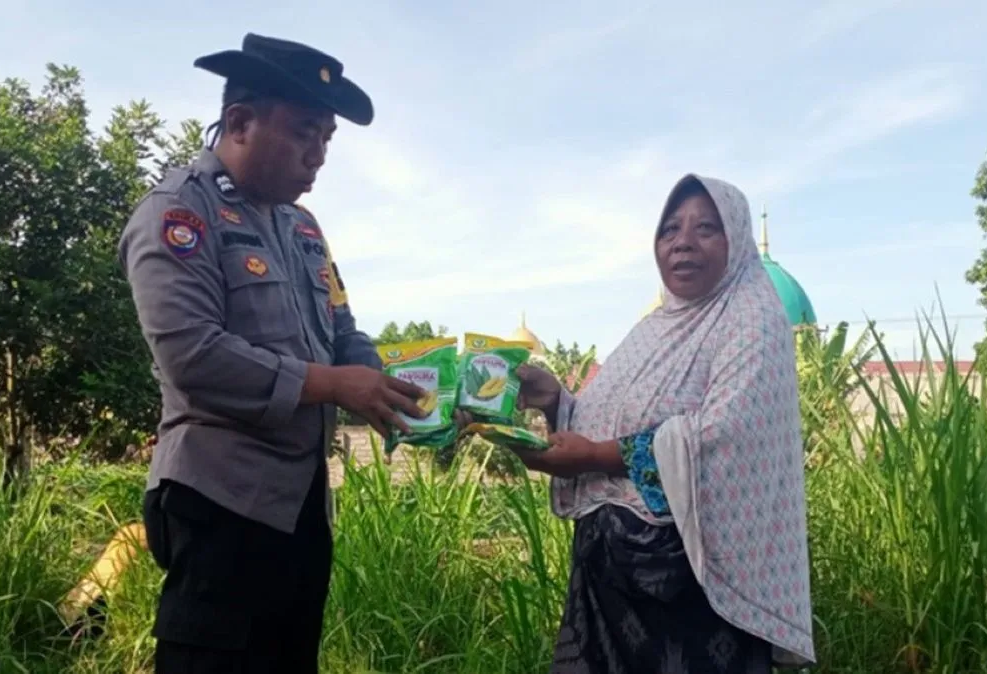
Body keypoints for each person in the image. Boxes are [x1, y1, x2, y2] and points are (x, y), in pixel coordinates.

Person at [118, 33, 427, 673]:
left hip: (301, 504)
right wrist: (335, 385)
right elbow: (193, 356)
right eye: (303, 134)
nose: (318, 157)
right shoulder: (180, 213)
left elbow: (344, 332)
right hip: (219, 500)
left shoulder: (303, 228)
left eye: (327, 140)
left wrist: (384, 383)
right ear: (239, 121)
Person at [460, 174, 815, 672]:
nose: (683, 242)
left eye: (705, 228)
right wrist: (554, 401)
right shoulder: (653, 329)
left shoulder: (752, 318)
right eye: (670, 229)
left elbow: (720, 437)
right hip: (610, 587)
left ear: (734, 240)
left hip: (688, 593)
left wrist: (593, 456)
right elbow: (604, 418)